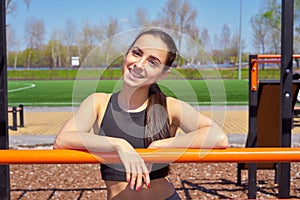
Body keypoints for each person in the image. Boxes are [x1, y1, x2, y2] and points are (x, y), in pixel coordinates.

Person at [54, 28, 228, 200]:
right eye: (137, 53)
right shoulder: (98, 103)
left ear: (162, 74)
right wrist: (118, 145)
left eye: (152, 62)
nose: (139, 64)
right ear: (126, 55)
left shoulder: (169, 106)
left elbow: (219, 137)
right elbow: (62, 141)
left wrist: (161, 146)